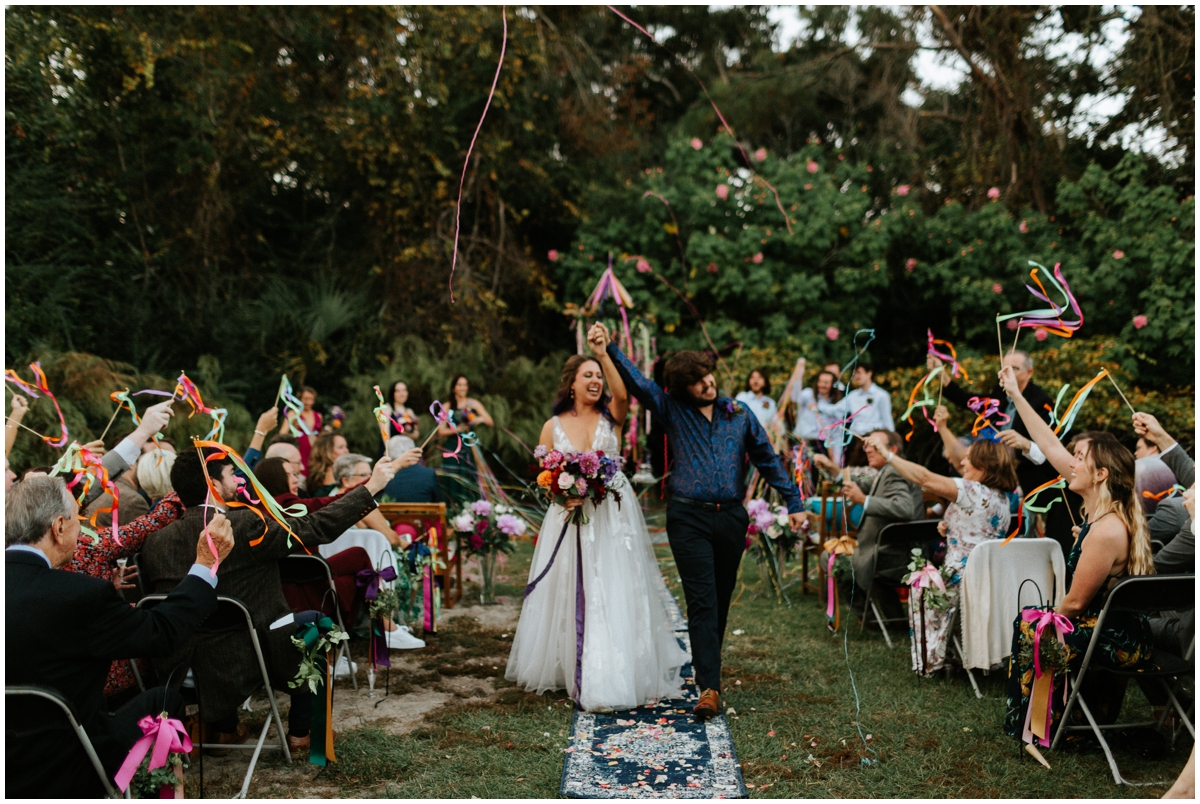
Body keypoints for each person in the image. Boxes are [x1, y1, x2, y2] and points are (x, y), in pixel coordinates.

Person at [138, 448, 398, 753]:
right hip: (252, 662)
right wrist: (371, 487)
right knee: (317, 623)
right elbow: (315, 527)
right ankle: (303, 732)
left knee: (213, 624)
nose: (238, 481)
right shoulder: (247, 526)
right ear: (213, 484)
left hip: (180, 670)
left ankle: (225, 731)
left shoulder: (155, 542)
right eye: (231, 475)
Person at [603, 325, 804, 720]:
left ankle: (708, 666)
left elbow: (767, 458)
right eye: (695, 382)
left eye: (706, 375)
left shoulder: (740, 413)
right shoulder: (672, 409)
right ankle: (708, 687)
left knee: (720, 598)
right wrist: (608, 346)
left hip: (730, 516)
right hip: (687, 516)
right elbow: (640, 383)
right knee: (702, 599)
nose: (706, 383)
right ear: (682, 389)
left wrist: (794, 500)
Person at [6, 475, 234, 798]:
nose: (80, 528)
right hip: (71, 765)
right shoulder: (82, 597)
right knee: (164, 700)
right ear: (58, 527)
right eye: (76, 519)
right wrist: (205, 565)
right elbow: (161, 632)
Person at [507, 328, 689, 713]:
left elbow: (624, 395)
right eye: (587, 375)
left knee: (614, 584)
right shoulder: (552, 426)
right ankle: (569, 664)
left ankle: (615, 666)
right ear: (571, 384)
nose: (595, 381)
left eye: (598, 376)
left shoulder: (613, 416)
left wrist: (603, 353)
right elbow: (544, 479)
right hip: (570, 516)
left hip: (612, 516)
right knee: (570, 588)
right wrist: (562, 493)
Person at [998, 365, 1156, 745]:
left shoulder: (1106, 529)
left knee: (1030, 623)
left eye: (1079, 457)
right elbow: (1050, 444)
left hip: (1114, 638)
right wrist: (1017, 396)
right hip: (1114, 631)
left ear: (1099, 474)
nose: (1070, 461)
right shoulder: (1103, 515)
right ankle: (1053, 718)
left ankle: (1040, 727)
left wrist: (1042, 621)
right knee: (1035, 620)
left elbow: (1076, 602)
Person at [863, 430, 1017, 676]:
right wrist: (950, 527)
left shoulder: (971, 490)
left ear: (985, 466)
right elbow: (978, 530)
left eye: (968, 459)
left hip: (959, 578)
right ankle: (957, 654)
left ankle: (931, 662)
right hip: (988, 577)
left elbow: (923, 478)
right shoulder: (1002, 497)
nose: (962, 463)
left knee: (921, 584)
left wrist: (887, 456)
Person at [823, 429, 925, 612]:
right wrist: (833, 471)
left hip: (896, 556)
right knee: (837, 554)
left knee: (830, 556)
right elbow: (865, 483)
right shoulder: (887, 471)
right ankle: (890, 617)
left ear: (891, 450)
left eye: (874, 446)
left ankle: (867, 614)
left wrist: (863, 500)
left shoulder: (894, 472)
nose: (867, 450)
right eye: (867, 446)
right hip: (890, 551)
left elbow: (904, 508)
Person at [438, 375, 494, 506]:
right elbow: (441, 431)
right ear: (453, 388)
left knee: (469, 475)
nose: (463, 388)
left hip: (469, 446)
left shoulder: (473, 404)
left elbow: (489, 421)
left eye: (465, 385)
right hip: (453, 446)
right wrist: (456, 429)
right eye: (459, 385)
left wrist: (477, 419)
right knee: (453, 476)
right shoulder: (446, 406)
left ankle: (471, 510)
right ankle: (452, 508)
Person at [380, 435, 446, 503]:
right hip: (422, 513)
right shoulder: (429, 474)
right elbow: (439, 502)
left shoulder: (382, 476)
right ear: (413, 451)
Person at [843, 359, 894, 436]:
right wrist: (818, 406)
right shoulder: (852, 395)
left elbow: (887, 420)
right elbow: (836, 410)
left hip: (873, 438)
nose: (856, 376)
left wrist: (891, 439)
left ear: (869, 373)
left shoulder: (881, 395)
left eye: (859, 373)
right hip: (856, 437)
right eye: (854, 374)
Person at [279, 386, 324, 471]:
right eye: (306, 399)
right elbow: (282, 433)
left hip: (315, 455)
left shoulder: (318, 416)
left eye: (311, 399)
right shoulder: (293, 414)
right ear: (299, 399)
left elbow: (320, 437)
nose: (309, 402)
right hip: (299, 454)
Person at [307, 432, 350, 496]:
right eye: (340, 447)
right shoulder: (331, 476)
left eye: (346, 447)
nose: (346, 451)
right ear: (327, 451)